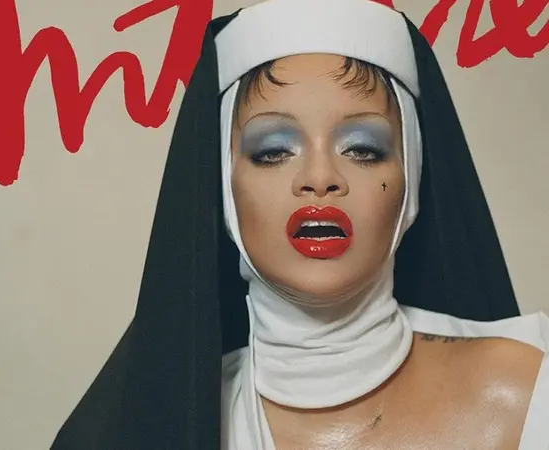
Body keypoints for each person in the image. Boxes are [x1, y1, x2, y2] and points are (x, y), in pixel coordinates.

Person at [51, 0, 549, 449]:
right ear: (222, 189)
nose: (320, 177)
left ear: (411, 182)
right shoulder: (153, 428)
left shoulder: (528, 392)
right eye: (273, 151)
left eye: (363, 149)